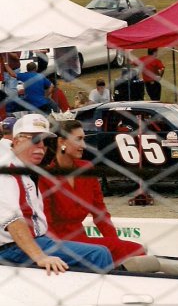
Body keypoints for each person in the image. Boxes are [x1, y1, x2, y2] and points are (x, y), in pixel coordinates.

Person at [0, 113, 113, 275]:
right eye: (34, 140)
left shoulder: (24, 170)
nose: (41, 147)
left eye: (45, 142)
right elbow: (13, 220)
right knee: (99, 254)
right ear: (17, 141)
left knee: (98, 251)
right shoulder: (7, 170)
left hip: (31, 242)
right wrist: (40, 257)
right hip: (12, 247)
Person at [39, 119, 145, 266]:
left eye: (84, 139)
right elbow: (46, 225)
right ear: (61, 141)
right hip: (57, 242)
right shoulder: (45, 177)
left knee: (134, 249)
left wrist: (115, 243)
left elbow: (100, 214)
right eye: (79, 139)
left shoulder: (87, 169)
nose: (83, 145)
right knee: (110, 252)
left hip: (82, 239)